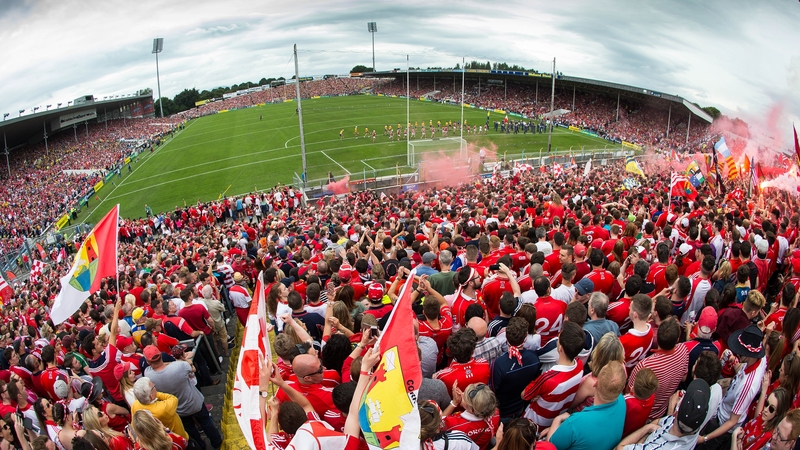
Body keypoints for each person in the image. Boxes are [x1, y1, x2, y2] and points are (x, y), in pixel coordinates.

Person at [697, 324, 767, 450]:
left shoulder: (747, 386)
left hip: (721, 423)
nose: (737, 352)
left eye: (740, 351)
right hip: (724, 405)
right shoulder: (761, 359)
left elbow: (732, 421)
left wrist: (705, 438)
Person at [142, 346, 222, 450]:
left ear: (148, 362)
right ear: (161, 355)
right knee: (206, 422)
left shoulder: (148, 375)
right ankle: (217, 443)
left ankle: (201, 446)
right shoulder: (180, 366)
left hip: (178, 409)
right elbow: (191, 367)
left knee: (190, 429)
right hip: (194, 403)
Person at [546, 361, 628, 450]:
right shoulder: (622, 401)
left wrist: (557, 420)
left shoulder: (575, 423)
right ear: (622, 387)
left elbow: (550, 447)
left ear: (595, 384)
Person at [522, 321, 586, 427]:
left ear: (560, 348)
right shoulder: (580, 366)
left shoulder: (548, 378)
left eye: (558, 338)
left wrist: (538, 393)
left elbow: (525, 395)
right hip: (554, 420)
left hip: (534, 421)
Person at [616, 379, 711, 450]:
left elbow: (620, 448)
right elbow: (658, 422)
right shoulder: (692, 425)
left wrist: (647, 428)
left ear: (676, 412)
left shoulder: (656, 448)